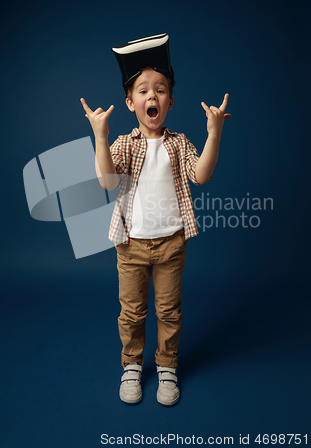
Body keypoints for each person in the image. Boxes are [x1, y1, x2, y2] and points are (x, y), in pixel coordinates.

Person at [80, 34, 231, 406]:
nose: (153, 96)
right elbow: (107, 181)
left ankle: (167, 365)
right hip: (131, 246)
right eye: (144, 91)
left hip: (171, 244)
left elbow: (202, 175)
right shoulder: (126, 144)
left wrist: (214, 134)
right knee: (131, 311)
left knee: (168, 310)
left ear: (170, 101)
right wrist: (100, 137)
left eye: (160, 90)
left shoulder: (178, 143)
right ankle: (131, 363)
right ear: (130, 103)